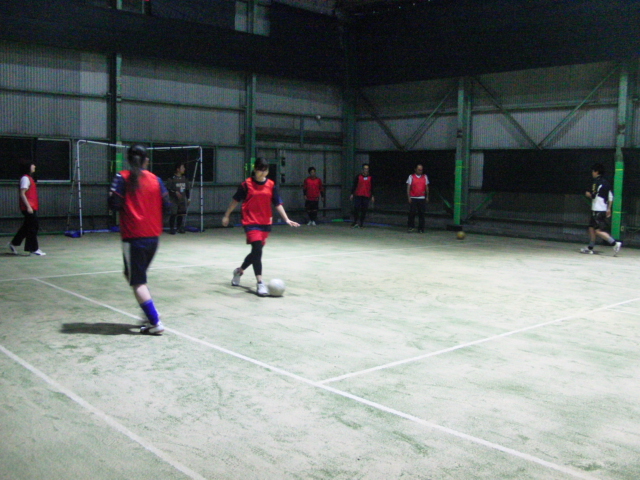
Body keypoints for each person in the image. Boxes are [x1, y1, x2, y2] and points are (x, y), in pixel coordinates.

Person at [109, 145, 172, 334]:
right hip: (153, 237)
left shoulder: (122, 177)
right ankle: (149, 312)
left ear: (128, 160)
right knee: (132, 274)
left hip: (133, 237)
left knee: (137, 282)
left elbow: (113, 204)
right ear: (146, 161)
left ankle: (154, 321)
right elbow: (168, 206)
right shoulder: (156, 180)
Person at [222, 157, 300, 296]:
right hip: (250, 222)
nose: (262, 173)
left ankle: (239, 271)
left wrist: (286, 219)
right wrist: (227, 215)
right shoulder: (246, 185)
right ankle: (260, 283)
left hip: (265, 223)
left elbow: (277, 203)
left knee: (256, 252)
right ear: (255, 169)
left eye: (265, 170)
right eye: (260, 170)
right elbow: (235, 201)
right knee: (257, 249)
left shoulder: (271, 185)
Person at [580, 163, 621, 256]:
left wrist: (587, 194)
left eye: (593, 171)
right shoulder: (606, 183)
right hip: (602, 209)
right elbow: (611, 197)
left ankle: (614, 243)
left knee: (598, 230)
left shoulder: (596, 182)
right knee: (591, 227)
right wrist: (609, 208)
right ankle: (590, 247)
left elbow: (593, 195)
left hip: (597, 209)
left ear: (596, 172)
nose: (592, 173)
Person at [7, 161, 46, 256]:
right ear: (28, 167)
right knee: (33, 226)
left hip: (31, 206)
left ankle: (14, 243)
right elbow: (22, 193)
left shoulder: (29, 178)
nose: (34, 166)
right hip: (28, 207)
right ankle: (33, 248)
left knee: (26, 227)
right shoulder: (25, 178)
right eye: (32, 165)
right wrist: (28, 206)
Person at [166, 161, 190, 234]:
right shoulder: (172, 179)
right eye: (182, 167)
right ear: (178, 169)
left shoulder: (184, 179)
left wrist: (188, 198)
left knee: (181, 214)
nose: (184, 169)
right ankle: (172, 228)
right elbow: (168, 189)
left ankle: (179, 228)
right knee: (173, 213)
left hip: (182, 200)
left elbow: (187, 189)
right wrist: (174, 192)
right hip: (174, 200)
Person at [406, 163, 429, 233]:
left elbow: (426, 187)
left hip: (421, 198)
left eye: (421, 170)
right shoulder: (411, 177)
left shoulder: (425, 177)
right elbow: (408, 187)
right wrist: (409, 197)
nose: (420, 171)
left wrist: (427, 196)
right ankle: (411, 226)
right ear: (415, 169)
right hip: (413, 197)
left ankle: (421, 228)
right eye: (419, 170)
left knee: (421, 214)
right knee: (412, 213)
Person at [350, 163, 374, 228]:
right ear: (362, 170)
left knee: (364, 210)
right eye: (365, 169)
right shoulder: (358, 177)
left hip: (366, 195)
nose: (366, 170)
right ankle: (355, 222)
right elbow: (354, 185)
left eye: (367, 169)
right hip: (358, 195)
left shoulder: (370, 177)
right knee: (356, 208)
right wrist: (352, 193)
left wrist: (372, 195)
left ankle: (361, 223)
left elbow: (372, 187)